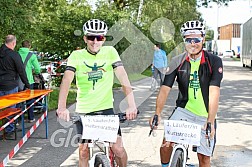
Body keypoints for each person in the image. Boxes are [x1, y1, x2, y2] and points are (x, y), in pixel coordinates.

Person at [56, 19, 138, 167]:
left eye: (99, 38)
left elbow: (123, 77)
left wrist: (132, 105)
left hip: (106, 109)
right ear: (85, 38)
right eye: (90, 37)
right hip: (84, 111)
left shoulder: (110, 52)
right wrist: (62, 107)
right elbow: (67, 80)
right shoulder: (76, 55)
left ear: (103, 39)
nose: (95, 41)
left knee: (118, 149)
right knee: (83, 151)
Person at [149, 20, 223, 167]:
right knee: (166, 145)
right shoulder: (177, 61)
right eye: (189, 39)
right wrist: (157, 113)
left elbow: (214, 92)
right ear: (184, 41)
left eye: (197, 39)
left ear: (203, 39)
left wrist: (210, 121)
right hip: (184, 111)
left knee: (204, 158)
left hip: (205, 114)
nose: (193, 43)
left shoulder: (214, 61)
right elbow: (165, 88)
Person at [0, 35, 30, 133]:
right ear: (13, 43)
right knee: (11, 108)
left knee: (2, 109)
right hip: (10, 85)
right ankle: (9, 129)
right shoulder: (14, 55)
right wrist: (27, 85)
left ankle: (4, 128)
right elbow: (21, 71)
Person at [18, 40, 41, 122]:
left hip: (18, 81)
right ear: (29, 46)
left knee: (18, 100)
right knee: (29, 99)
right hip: (29, 81)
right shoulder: (32, 55)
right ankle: (31, 117)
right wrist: (37, 73)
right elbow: (37, 68)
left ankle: (17, 120)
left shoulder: (16, 54)